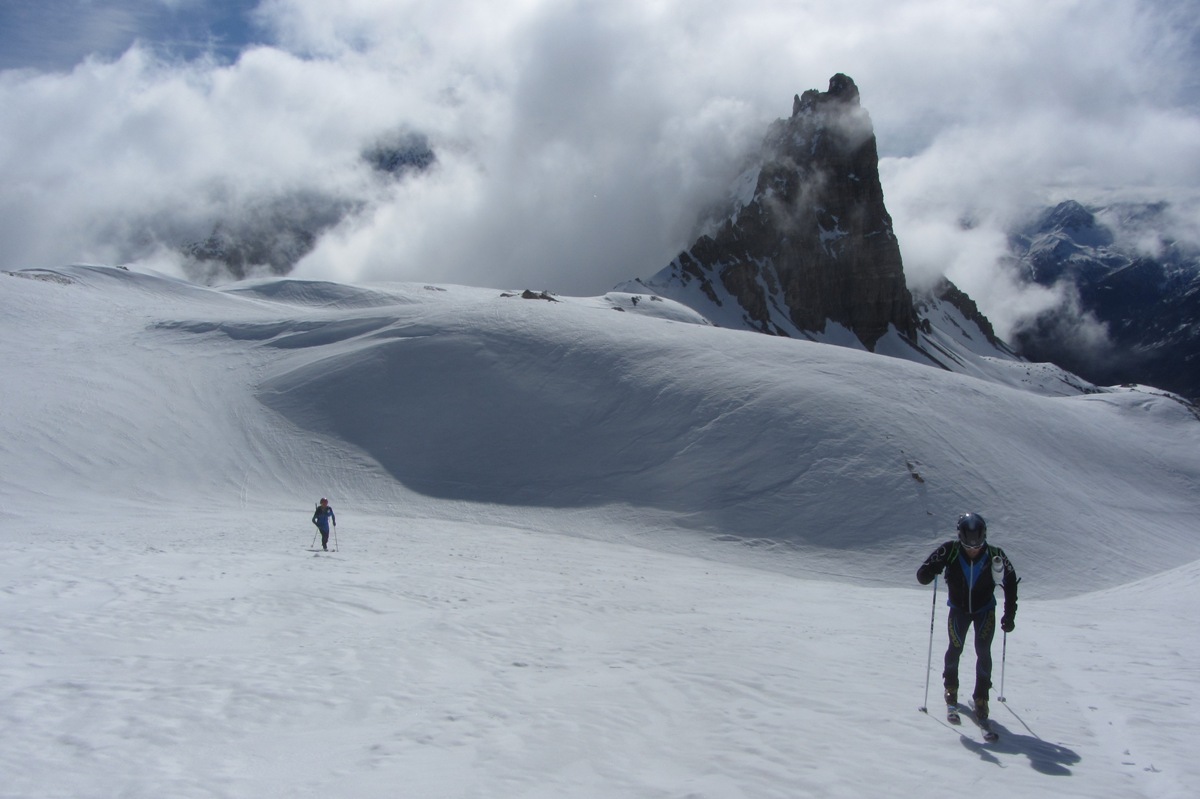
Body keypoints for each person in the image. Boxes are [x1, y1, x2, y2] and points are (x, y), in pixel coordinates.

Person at [916, 513, 1018, 721]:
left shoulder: (995, 554)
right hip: (958, 610)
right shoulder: (950, 550)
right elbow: (922, 575)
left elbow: (1010, 582)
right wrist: (932, 570)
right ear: (960, 537)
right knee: (955, 648)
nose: (973, 549)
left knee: (983, 652)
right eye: (968, 545)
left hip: (985, 610)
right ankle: (950, 688)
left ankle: (982, 697)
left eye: (977, 545)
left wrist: (1010, 614)